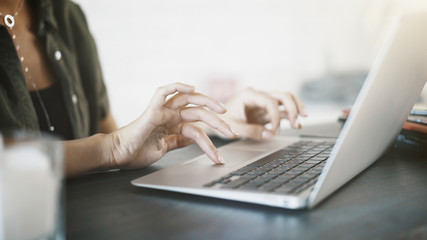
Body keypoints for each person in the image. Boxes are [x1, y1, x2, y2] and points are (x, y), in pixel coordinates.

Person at [0, 0, 306, 177]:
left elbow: (110, 138)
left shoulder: (67, 16)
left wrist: (208, 122)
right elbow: (111, 147)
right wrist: (113, 148)